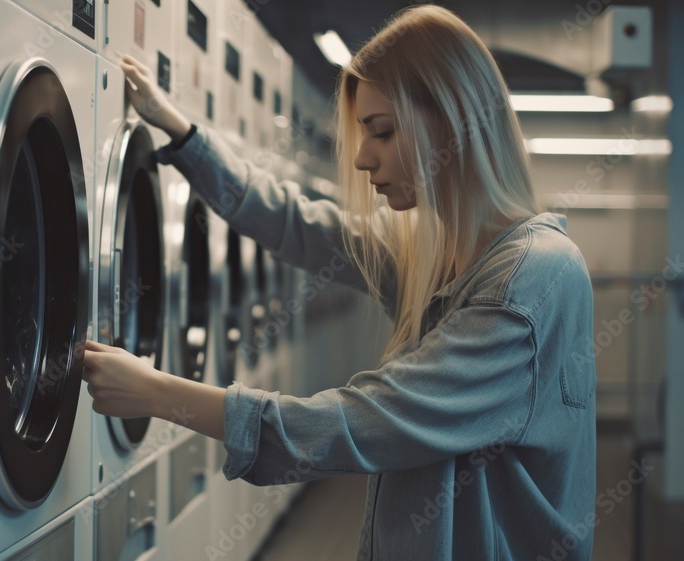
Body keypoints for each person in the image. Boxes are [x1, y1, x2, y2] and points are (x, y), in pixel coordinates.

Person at [83, 5, 597, 560]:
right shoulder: (442, 255)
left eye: (382, 131)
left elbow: (365, 422)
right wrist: (184, 136)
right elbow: (299, 226)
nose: (360, 157)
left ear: (450, 121)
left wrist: (158, 393)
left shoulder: (529, 280)